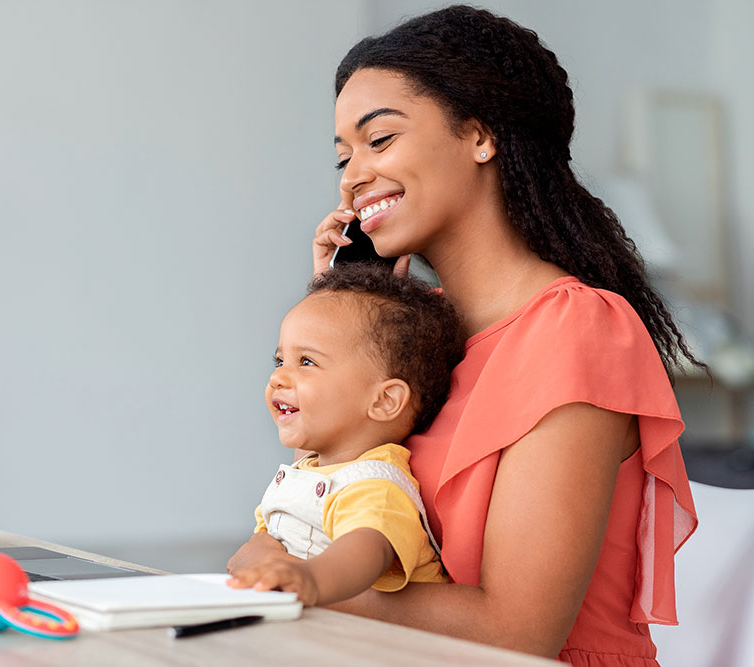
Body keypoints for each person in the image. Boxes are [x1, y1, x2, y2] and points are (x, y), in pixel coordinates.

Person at [227, 6, 700, 666]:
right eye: (344, 154)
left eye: (380, 140)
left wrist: (296, 582)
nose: (353, 174)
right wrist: (348, 322)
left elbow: (515, 632)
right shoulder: (426, 335)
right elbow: (345, 498)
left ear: (479, 135)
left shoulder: (576, 330)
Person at [227, 263, 465, 606]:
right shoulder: (309, 470)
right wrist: (260, 554)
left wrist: (309, 578)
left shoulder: (377, 486)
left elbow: (364, 551)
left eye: (306, 362)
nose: (278, 378)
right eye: (280, 362)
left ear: (384, 401)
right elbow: (256, 549)